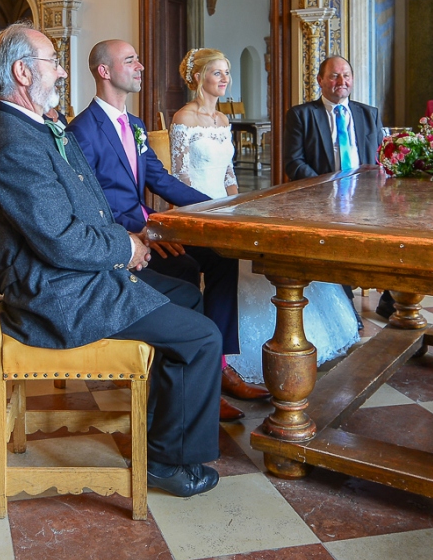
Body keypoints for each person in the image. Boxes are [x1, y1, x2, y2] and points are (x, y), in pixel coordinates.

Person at [0, 23, 223, 498]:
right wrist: (125, 248)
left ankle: (158, 432)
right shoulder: (12, 142)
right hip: (57, 292)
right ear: (23, 73)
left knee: (189, 296)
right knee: (202, 338)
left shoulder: (31, 126)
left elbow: (83, 206)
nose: (63, 72)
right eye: (53, 62)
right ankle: (168, 464)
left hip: (72, 275)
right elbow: (62, 241)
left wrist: (125, 239)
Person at [71, 40, 260, 422]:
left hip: (153, 227)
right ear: (104, 72)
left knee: (223, 257)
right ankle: (188, 375)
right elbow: (90, 202)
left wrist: (215, 210)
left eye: (138, 59)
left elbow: (161, 181)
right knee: (186, 269)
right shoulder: (83, 130)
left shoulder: (136, 126)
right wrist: (144, 231)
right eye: (130, 60)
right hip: (125, 236)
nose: (140, 66)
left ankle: (219, 364)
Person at [176, 49, 361, 383]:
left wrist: (238, 205)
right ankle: (220, 365)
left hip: (227, 208)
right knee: (228, 268)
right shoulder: (183, 118)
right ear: (199, 77)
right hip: (197, 208)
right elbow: (181, 177)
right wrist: (208, 210)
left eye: (227, 72)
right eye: (217, 73)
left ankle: (247, 353)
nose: (225, 79)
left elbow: (229, 173)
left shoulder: (222, 120)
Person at [282, 55, 391, 320]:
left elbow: (380, 156)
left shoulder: (369, 113)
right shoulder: (301, 115)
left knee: (394, 239)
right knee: (337, 249)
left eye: (346, 75)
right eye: (334, 76)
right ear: (320, 80)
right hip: (323, 200)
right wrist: (329, 188)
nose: (341, 81)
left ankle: (391, 299)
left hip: (367, 198)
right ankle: (346, 311)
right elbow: (293, 163)